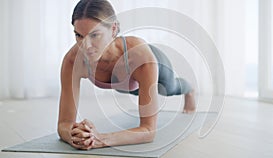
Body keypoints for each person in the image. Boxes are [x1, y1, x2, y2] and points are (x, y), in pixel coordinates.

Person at [58, 0, 196, 150]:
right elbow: (63, 124)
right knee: (138, 91)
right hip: (128, 84)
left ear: (113, 29)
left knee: (170, 88)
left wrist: (101, 139)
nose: (86, 46)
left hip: (157, 68)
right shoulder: (72, 61)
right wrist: (76, 135)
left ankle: (190, 90)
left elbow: (149, 131)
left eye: (95, 35)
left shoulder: (141, 57)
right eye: (79, 35)